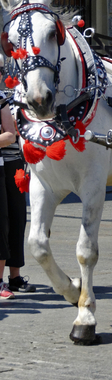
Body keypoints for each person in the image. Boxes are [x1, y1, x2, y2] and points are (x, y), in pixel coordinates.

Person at [0, 105, 29, 298]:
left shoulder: (18, 98)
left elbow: (16, 130)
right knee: (3, 222)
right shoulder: (6, 100)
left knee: (17, 218)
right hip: (5, 160)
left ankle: (15, 276)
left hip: (17, 161)